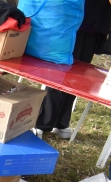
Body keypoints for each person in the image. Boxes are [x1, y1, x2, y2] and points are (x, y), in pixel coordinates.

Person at [32, 0, 111, 140]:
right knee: (62, 73)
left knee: (79, 76)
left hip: (95, 23)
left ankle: (61, 122)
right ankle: (42, 122)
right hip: (70, 19)